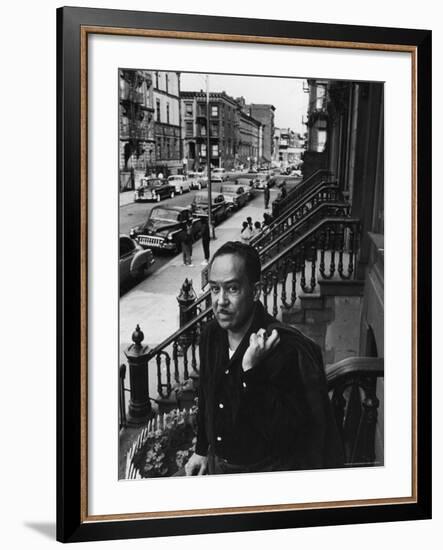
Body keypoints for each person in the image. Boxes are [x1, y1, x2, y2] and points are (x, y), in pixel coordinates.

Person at [184, 242, 344, 476]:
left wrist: (252, 372)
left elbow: (291, 436)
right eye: (215, 289)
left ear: (255, 291)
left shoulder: (284, 348)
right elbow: (207, 394)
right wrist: (200, 449)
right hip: (218, 466)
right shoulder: (211, 335)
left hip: (263, 473)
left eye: (232, 289)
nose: (220, 301)